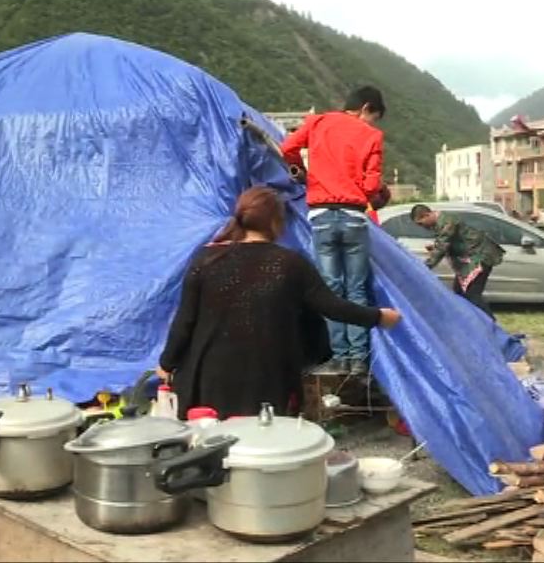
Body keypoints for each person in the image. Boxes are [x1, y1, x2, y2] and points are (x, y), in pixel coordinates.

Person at [155, 187, 401, 419]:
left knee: (216, 448)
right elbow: (332, 306)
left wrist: (166, 363)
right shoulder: (290, 263)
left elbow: (185, 319)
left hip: (208, 377)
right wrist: (379, 317)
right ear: (276, 222)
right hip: (268, 378)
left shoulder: (207, 258)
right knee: (267, 451)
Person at [279, 86, 388, 374]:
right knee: (357, 289)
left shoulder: (318, 122)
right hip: (354, 217)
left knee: (331, 289)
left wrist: (300, 171)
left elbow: (287, 148)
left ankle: (339, 358)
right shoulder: (371, 136)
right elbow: (371, 187)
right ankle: (359, 360)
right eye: (373, 117)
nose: (371, 124)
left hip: (322, 216)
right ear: (366, 108)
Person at [411, 204, 504, 319]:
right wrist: (435, 247)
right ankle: (474, 323)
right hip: (471, 258)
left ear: (427, 215)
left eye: (421, 223)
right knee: (460, 292)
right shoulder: (440, 222)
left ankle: (491, 327)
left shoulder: (446, 222)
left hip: (479, 256)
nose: (421, 227)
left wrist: (424, 267)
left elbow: (442, 246)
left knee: (471, 294)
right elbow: (450, 240)